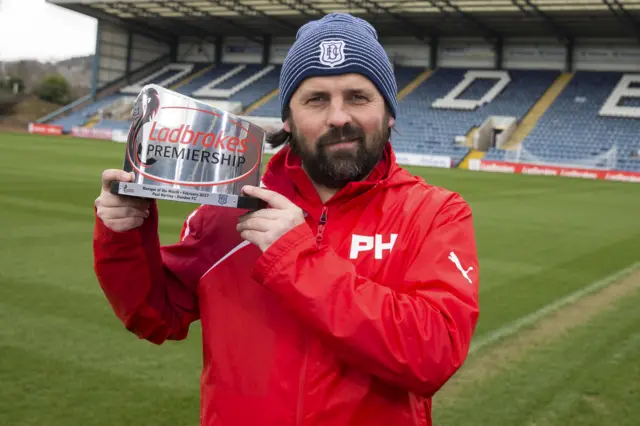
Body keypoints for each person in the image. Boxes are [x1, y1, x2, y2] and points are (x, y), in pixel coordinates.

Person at [93, 12, 480, 426]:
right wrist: (125, 236)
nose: (338, 117)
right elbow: (155, 315)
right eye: (316, 99)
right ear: (287, 119)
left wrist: (296, 257)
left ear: (388, 113)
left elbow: (431, 355)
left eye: (358, 97)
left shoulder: (434, 211)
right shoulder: (229, 209)